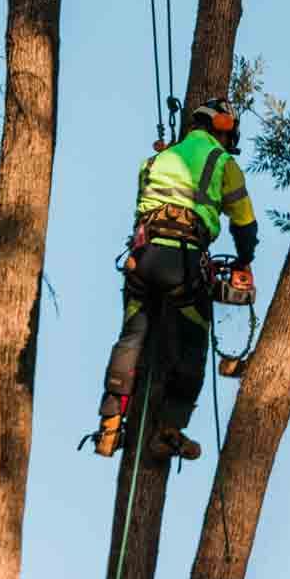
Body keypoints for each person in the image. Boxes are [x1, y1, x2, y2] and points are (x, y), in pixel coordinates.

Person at [93, 97, 258, 462]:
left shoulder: (153, 161)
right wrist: (245, 258)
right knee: (194, 342)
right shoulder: (223, 162)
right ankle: (169, 428)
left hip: (142, 259)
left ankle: (109, 424)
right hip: (181, 263)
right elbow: (244, 223)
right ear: (224, 128)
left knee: (132, 336)